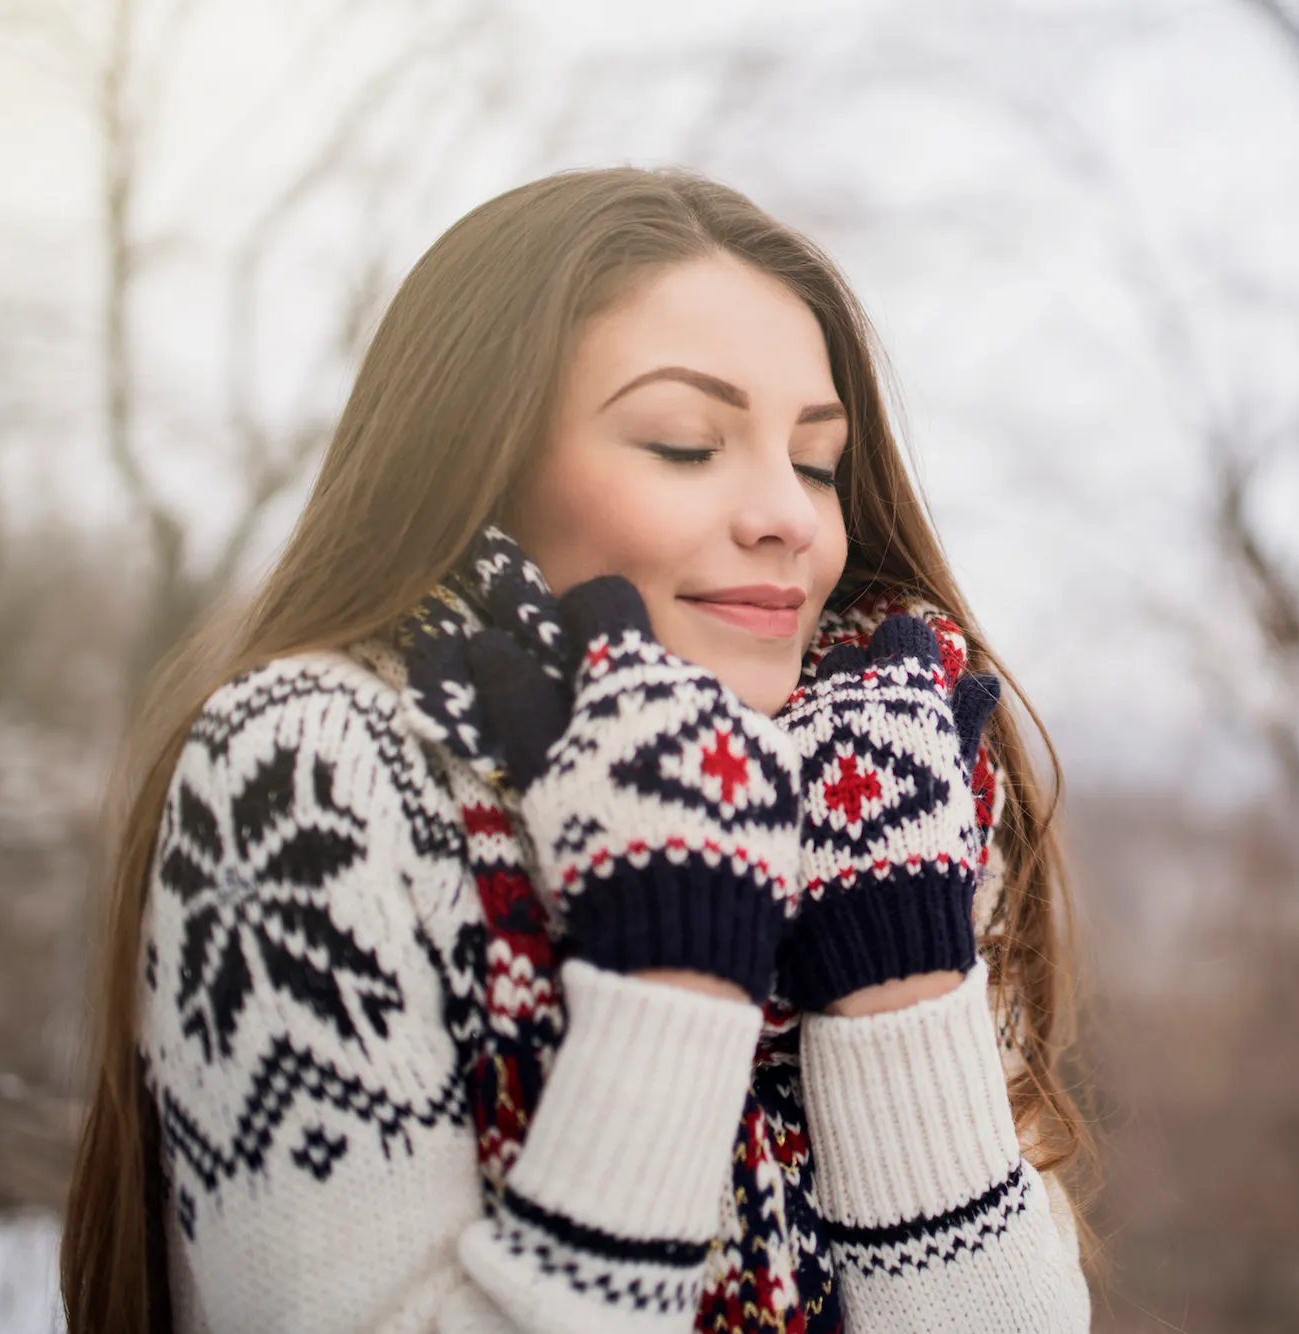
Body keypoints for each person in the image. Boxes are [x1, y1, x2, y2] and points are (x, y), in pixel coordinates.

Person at [60, 167, 1092, 1333]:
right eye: (685, 444)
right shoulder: (308, 766)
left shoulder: (893, 783)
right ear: (480, 461)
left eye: (815, 462)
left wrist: (896, 990)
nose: (790, 516)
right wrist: (670, 990)